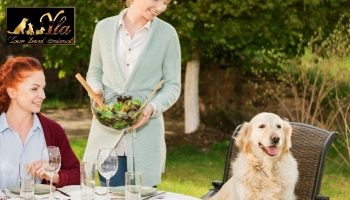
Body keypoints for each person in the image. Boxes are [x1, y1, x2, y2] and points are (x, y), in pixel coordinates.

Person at [83, 0, 181, 187]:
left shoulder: (167, 34)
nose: (161, 8)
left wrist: (152, 107)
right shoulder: (103, 28)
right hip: (108, 131)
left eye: (166, 2)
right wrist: (96, 92)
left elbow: (172, 85)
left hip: (146, 134)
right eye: (157, 0)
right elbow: (94, 72)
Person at [0, 56, 80, 189]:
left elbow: (78, 173)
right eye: (34, 89)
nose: (43, 95)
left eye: (42, 88)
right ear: (12, 92)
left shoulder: (54, 130)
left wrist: (54, 176)